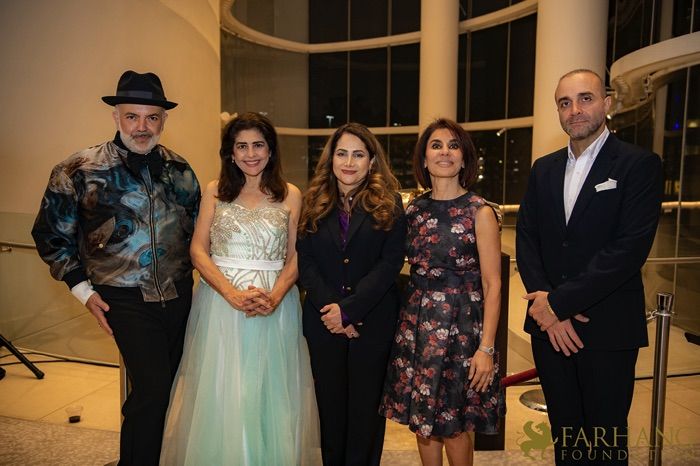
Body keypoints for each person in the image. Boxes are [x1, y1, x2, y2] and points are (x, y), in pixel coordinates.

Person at [31, 70, 201, 465]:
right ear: (116, 117)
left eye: (152, 117)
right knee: (152, 390)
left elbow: (199, 230)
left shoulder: (179, 169)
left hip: (179, 294)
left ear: (163, 120)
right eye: (132, 116)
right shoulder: (78, 169)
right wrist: (83, 291)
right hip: (122, 297)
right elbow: (50, 235)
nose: (142, 127)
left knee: (167, 389)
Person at [516, 69, 663, 465]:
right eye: (565, 102)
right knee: (566, 439)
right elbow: (527, 238)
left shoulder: (639, 164)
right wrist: (548, 310)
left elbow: (628, 249)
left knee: (605, 442)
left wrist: (558, 304)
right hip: (549, 332)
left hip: (607, 329)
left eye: (585, 98)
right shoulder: (543, 168)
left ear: (607, 103)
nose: (575, 110)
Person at [159, 112, 320, 465]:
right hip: (220, 304)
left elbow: (297, 255)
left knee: (268, 389)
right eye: (242, 146)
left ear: (271, 150)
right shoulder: (215, 191)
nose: (250, 154)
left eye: (258, 145)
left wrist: (275, 296)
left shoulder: (291, 194)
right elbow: (198, 250)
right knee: (223, 387)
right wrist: (231, 294)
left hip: (274, 305)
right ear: (230, 153)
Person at [380, 118, 503, 466]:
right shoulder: (413, 210)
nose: (445, 152)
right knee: (423, 423)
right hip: (417, 328)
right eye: (436, 145)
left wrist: (486, 348)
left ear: (464, 159)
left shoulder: (480, 211)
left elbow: (493, 284)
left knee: (454, 426)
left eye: (453, 145)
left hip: (462, 331)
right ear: (424, 158)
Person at [297, 122, 407, 466]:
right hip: (323, 323)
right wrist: (333, 310)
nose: (348, 162)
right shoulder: (312, 201)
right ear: (330, 159)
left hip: (372, 322)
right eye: (342, 153)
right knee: (330, 412)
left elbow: (389, 264)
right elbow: (305, 262)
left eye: (358, 154)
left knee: (365, 415)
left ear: (371, 161)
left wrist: (350, 311)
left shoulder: (390, 203)